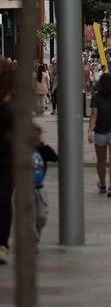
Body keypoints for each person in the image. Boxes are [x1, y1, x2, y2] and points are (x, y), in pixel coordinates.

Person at [88, 73, 111, 197]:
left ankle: (102, 183)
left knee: (101, 160)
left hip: (100, 131)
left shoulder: (96, 97)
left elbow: (93, 115)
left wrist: (89, 130)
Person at [32, 124, 58, 245]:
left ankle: (37, 233)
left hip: (39, 189)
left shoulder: (42, 150)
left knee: (41, 215)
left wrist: (45, 146)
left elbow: (54, 157)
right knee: (29, 217)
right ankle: (32, 240)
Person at [0, 59, 14, 265]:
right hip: (8, 157)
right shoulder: (15, 99)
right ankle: (2, 244)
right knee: (3, 200)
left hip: (8, 157)